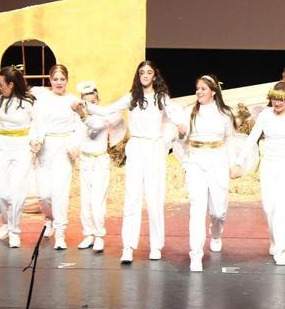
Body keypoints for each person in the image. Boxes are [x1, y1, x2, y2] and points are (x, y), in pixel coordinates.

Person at [83, 61, 186, 263]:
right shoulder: (132, 98)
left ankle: (156, 246)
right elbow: (106, 110)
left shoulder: (161, 98)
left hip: (155, 149)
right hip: (137, 148)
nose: (145, 75)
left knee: (155, 199)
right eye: (142, 72)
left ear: (154, 76)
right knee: (132, 199)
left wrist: (182, 124)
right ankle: (128, 246)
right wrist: (85, 106)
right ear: (138, 76)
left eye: (149, 72)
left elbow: (175, 114)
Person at [231, 81, 285, 266]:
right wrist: (239, 162)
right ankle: (275, 239)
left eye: (281, 100)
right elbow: (252, 139)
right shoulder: (265, 115)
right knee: (268, 207)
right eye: (274, 99)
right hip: (268, 165)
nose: (277, 103)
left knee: (281, 206)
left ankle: (282, 247)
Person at [0, 66, 39, 248]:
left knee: (17, 193)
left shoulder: (29, 102)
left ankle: (14, 231)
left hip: (22, 148)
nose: (0, 87)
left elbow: (38, 123)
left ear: (11, 84)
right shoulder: (0, 99)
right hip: (4, 147)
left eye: (2, 84)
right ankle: (6, 222)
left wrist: (37, 140)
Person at [181, 74, 237, 272]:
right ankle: (195, 255)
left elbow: (230, 139)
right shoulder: (189, 112)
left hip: (217, 162)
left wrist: (234, 164)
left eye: (203, 88)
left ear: (213, 91)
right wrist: (181, 134)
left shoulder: (225, 114)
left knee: (218, 210)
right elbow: (181, 138)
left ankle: (216, 234)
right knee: (196, 209)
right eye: (197, 88)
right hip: (196, 162)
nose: (199, 91)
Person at [31, 64, 83, 250]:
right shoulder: (42, 101)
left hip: (64, 149)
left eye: (62, 79)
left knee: (60, 193)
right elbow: (35, 124)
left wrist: (75, 145)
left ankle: (60, 233)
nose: (59, 82)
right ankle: (49, 218)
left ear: (67, 80)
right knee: (44, 194)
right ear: (50, 81)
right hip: (45, 149)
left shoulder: (73, 101)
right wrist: (34, 140)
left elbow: (80, 125)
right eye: (55, 79)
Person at [74, 81, 124, 253]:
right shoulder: (79, 117)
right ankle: (88, 233)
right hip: (85, 161)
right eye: (86, 102)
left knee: (97, 200)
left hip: (100, 162)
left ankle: (99, 235)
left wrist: (83, 115)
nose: (90, 105)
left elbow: (94, 127)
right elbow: (77, 135)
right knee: (85, 200)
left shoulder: (104, 116)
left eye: (93, 102)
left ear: (98, 100)